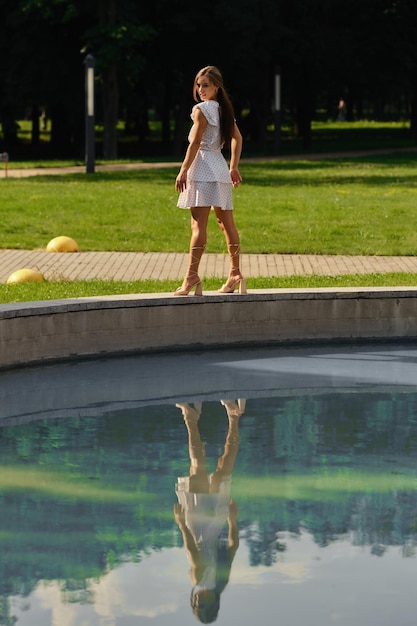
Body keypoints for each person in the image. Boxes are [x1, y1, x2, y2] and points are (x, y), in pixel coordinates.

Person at [174, 66, 246, 296]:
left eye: (205, 85)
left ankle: (191, 277)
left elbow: (194, 143)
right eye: (198, 85)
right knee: (227, 225)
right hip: (219, 168)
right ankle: (235, 274)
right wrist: (233, 166)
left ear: (216, 86)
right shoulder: (224, 110)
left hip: (203, 169)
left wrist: (183, 170)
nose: (201, 89)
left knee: (198, 226)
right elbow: (238, 138)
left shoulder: (201, 110)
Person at [174, 399, 245, 623]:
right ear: (212, 603)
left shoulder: (222, 580)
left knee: (224, 467)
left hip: (215, 521)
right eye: (201, 605)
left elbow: (234, 546)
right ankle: (190, 417)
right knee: (197, 466)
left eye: (196, 606)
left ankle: (233, 416)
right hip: (197, 520)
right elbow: (191, 548)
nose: (197, 601)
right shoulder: (199, 580)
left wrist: (233, 520)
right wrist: (181, 523)